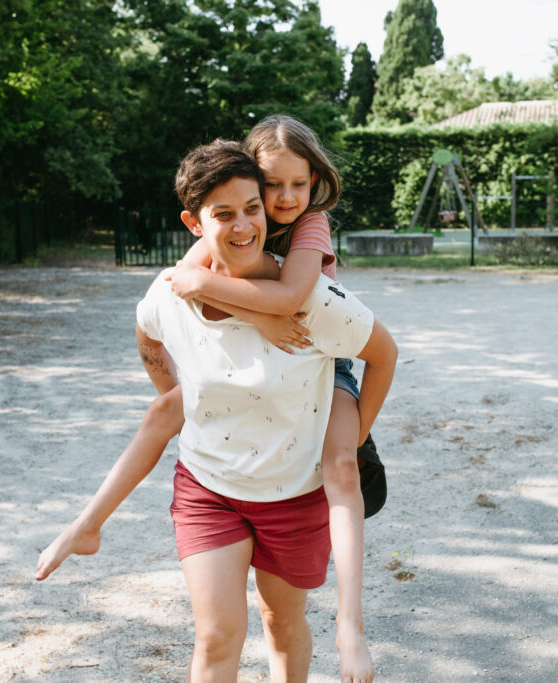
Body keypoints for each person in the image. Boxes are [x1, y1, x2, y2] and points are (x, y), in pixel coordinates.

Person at [37, 140, 397, 683]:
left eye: (252, 208)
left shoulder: (312, 301)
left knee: (281, 621)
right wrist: (177, 392)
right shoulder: (171, 292)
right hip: (210, 490)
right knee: (216, 636)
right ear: (193, 221)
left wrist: (349, 437)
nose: (243, 225)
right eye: (223, 214)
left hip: (293, 495)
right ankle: (86, 525)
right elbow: (148, 333)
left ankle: (349, 628)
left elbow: (383, 354)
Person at [167, 114, 380, 680]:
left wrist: (357, 431)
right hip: (261, 362)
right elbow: (186, 285)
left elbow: (286, 298)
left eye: (299, 183)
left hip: (320, 357)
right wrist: (251, 317)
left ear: (316, 182)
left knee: (338, 463)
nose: (286, 198)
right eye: (273, 185)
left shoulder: (312, 226)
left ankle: (350, 625)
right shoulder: (241, 213)